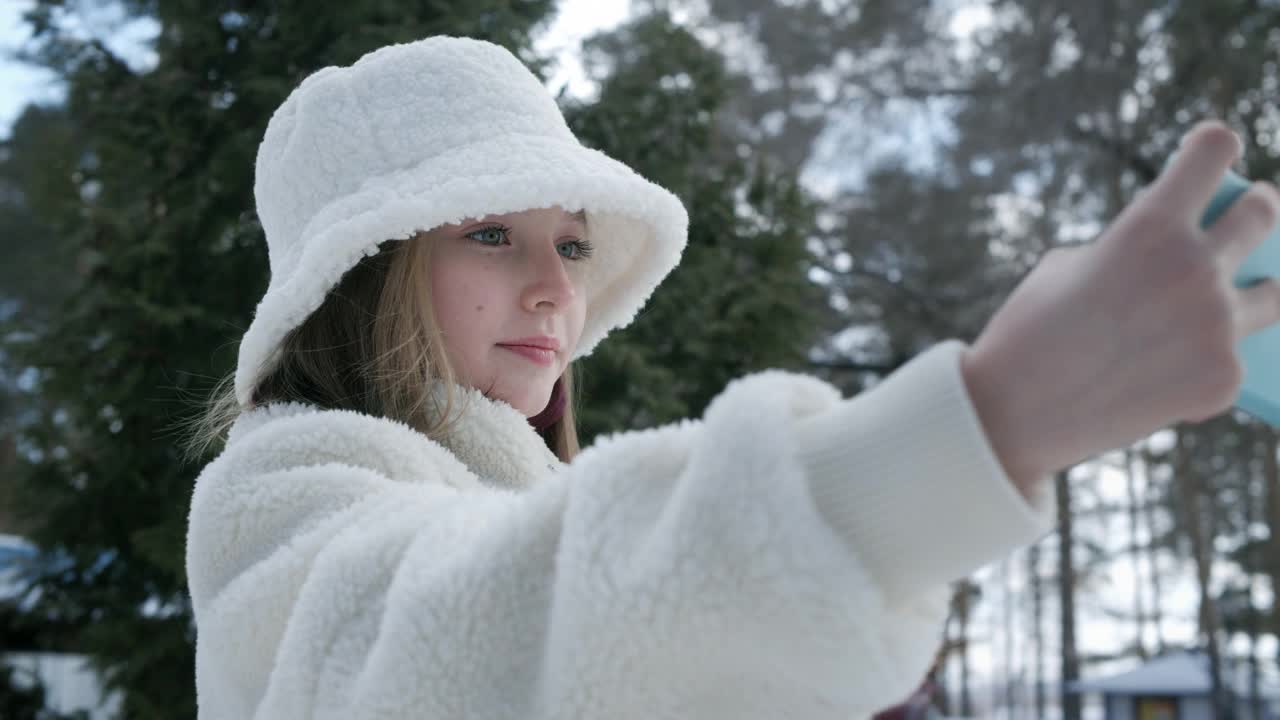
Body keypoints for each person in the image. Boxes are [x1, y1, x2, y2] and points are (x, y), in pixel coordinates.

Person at [181, 34, 1280, 720]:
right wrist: (989, 421)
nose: (553, 286)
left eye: (569, 245)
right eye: (488, 234)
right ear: (363, 271)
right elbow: (453, 647)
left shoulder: (517, 499)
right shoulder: (277, 492)